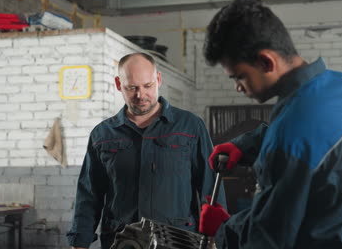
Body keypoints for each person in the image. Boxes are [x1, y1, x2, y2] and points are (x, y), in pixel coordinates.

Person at [198, 0, 342, 249]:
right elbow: (319, 143)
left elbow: (268, 239)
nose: (239, 88)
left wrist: (223, 229)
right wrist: (247, 145)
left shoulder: (291, 134)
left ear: (266, 62)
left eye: (239, 77)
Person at [67, 52, 225, 249]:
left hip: (179, 241)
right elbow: (89, 195)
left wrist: (218, 238)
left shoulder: (190, 126)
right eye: (132, 88)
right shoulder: (103, 134)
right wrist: (79, 243)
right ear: (118, 84)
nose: (140, 95)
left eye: (147, 86)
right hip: (121, 242)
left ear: (158, 79)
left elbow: (210, 188)